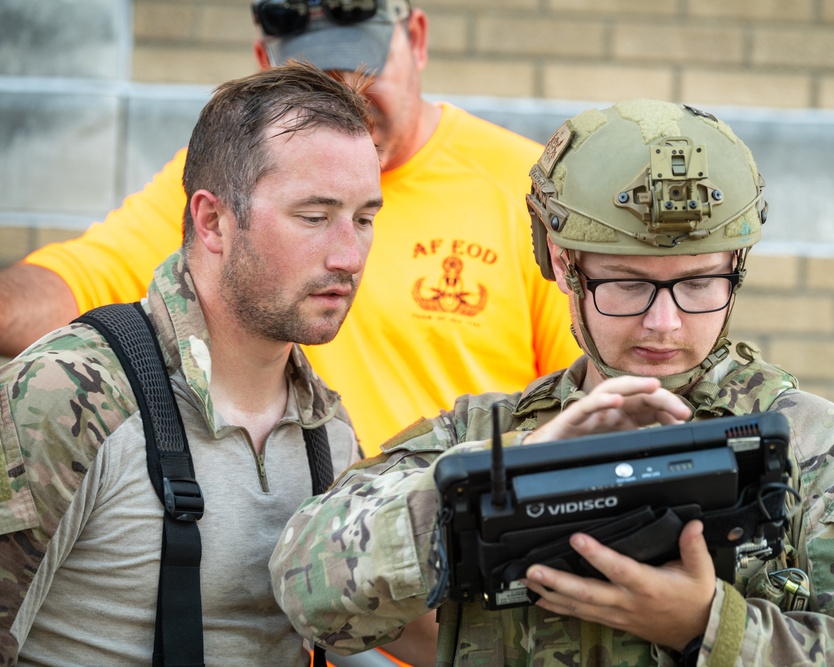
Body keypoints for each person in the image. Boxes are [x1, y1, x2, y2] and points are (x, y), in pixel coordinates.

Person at [268, 100, 834, 666]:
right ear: (563, 265)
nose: (664, 322)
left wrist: (712, 627)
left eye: (698, 284)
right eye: (626, 284)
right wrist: (516, 465)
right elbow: (305, 589)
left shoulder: (822, 454)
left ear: (737, 267)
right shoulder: (480, 440)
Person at [0, 0, 579, 452]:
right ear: (265, 65)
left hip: (441, 566)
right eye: (315, 75)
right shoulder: (232, 180)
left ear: (418, 39)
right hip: (267, 549)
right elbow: (76, 285)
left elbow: (581, 404)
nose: (347, 95)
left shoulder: (529, 189)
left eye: (363, 65)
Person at [0, 61, 386, 665]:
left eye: (365, 219)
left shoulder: (329, 435)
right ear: (212, 221)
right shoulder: (67, 395)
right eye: (314, 217)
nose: (349, 255)